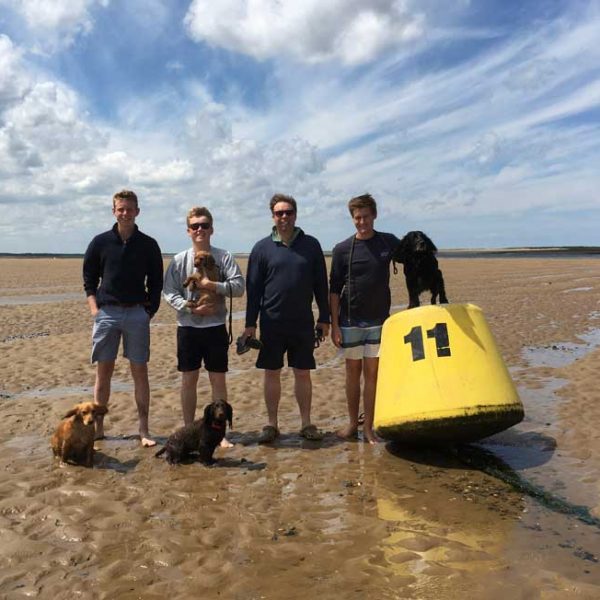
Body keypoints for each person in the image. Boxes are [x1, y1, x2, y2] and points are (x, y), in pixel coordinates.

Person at [243, 193, 330, 443]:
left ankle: (306, 423)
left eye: (288, 212)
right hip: (271, 322)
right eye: (279, 213)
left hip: (302, 322)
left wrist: (324, 317)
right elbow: (254, 290)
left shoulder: (311, 245)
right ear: (273, 216)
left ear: (295, 214)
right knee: (272, 372)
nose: (284, 217)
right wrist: (250, 324)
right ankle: (271, 424)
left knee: (302, 373)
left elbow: (320, 285)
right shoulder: (261, 248)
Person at [83, 189, 163, 447]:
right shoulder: (100, 242)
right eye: (121, 209)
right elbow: (89, 279)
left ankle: (144, 429)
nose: (125, 213)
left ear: (137, 211)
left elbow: (156, 283)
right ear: (114, 211)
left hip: (137, 313)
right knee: (103, 373)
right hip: (107, 313)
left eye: (130, 209)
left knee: (140, 372)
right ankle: (98, 428)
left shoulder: (148, 244)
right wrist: (95, 308)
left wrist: (148, 312)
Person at [163, 207, 244, 447]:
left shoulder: (224, 257)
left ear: (212, 229)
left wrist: (212, 285)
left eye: (204, 225)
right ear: (188, 231)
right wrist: (190, 308)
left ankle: (220, 434)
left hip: (216, 327)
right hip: (188, 328)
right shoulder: (179, 260)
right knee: (189, 379)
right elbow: (169, 292)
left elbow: (238, 288)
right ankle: (190, 430)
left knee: (218, 380)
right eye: (195, 226)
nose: (200, 229)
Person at [329, 194, 401, 444]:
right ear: (352, 219)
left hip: (379, 322)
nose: (362, 222)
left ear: (374, 216)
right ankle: (352, 424)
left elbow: (412, 256)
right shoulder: (342, 249)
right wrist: (334, 326)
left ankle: (369, 428)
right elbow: (334, 289)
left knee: (372, 376)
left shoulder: (387, 242)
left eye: (366, 217)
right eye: (357, 218)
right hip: (350, 322)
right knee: (352, 374)